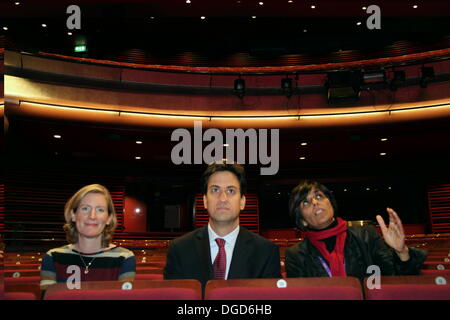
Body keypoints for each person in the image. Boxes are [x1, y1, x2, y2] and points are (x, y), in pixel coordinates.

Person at [164, 163, 281, 286]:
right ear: (204, 201)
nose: (223, 198)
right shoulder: (179, 249)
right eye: (215, 190)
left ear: (242, 202)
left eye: (231, 191)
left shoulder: (266, 252)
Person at [285, 180, 427, 279]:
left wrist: (401, 252)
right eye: (306, 202)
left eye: (318, 196)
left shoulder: (366, 235)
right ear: (302, 220)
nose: (315, 202)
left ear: (331, 203)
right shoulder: (296, 254)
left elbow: (395, 280)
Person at [40, 184, 136, 287]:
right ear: (73, 215)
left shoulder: (125, 258)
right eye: (85, 208)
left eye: (100, 210)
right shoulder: (53, 257)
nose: (92, 216)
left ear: (109, 218)